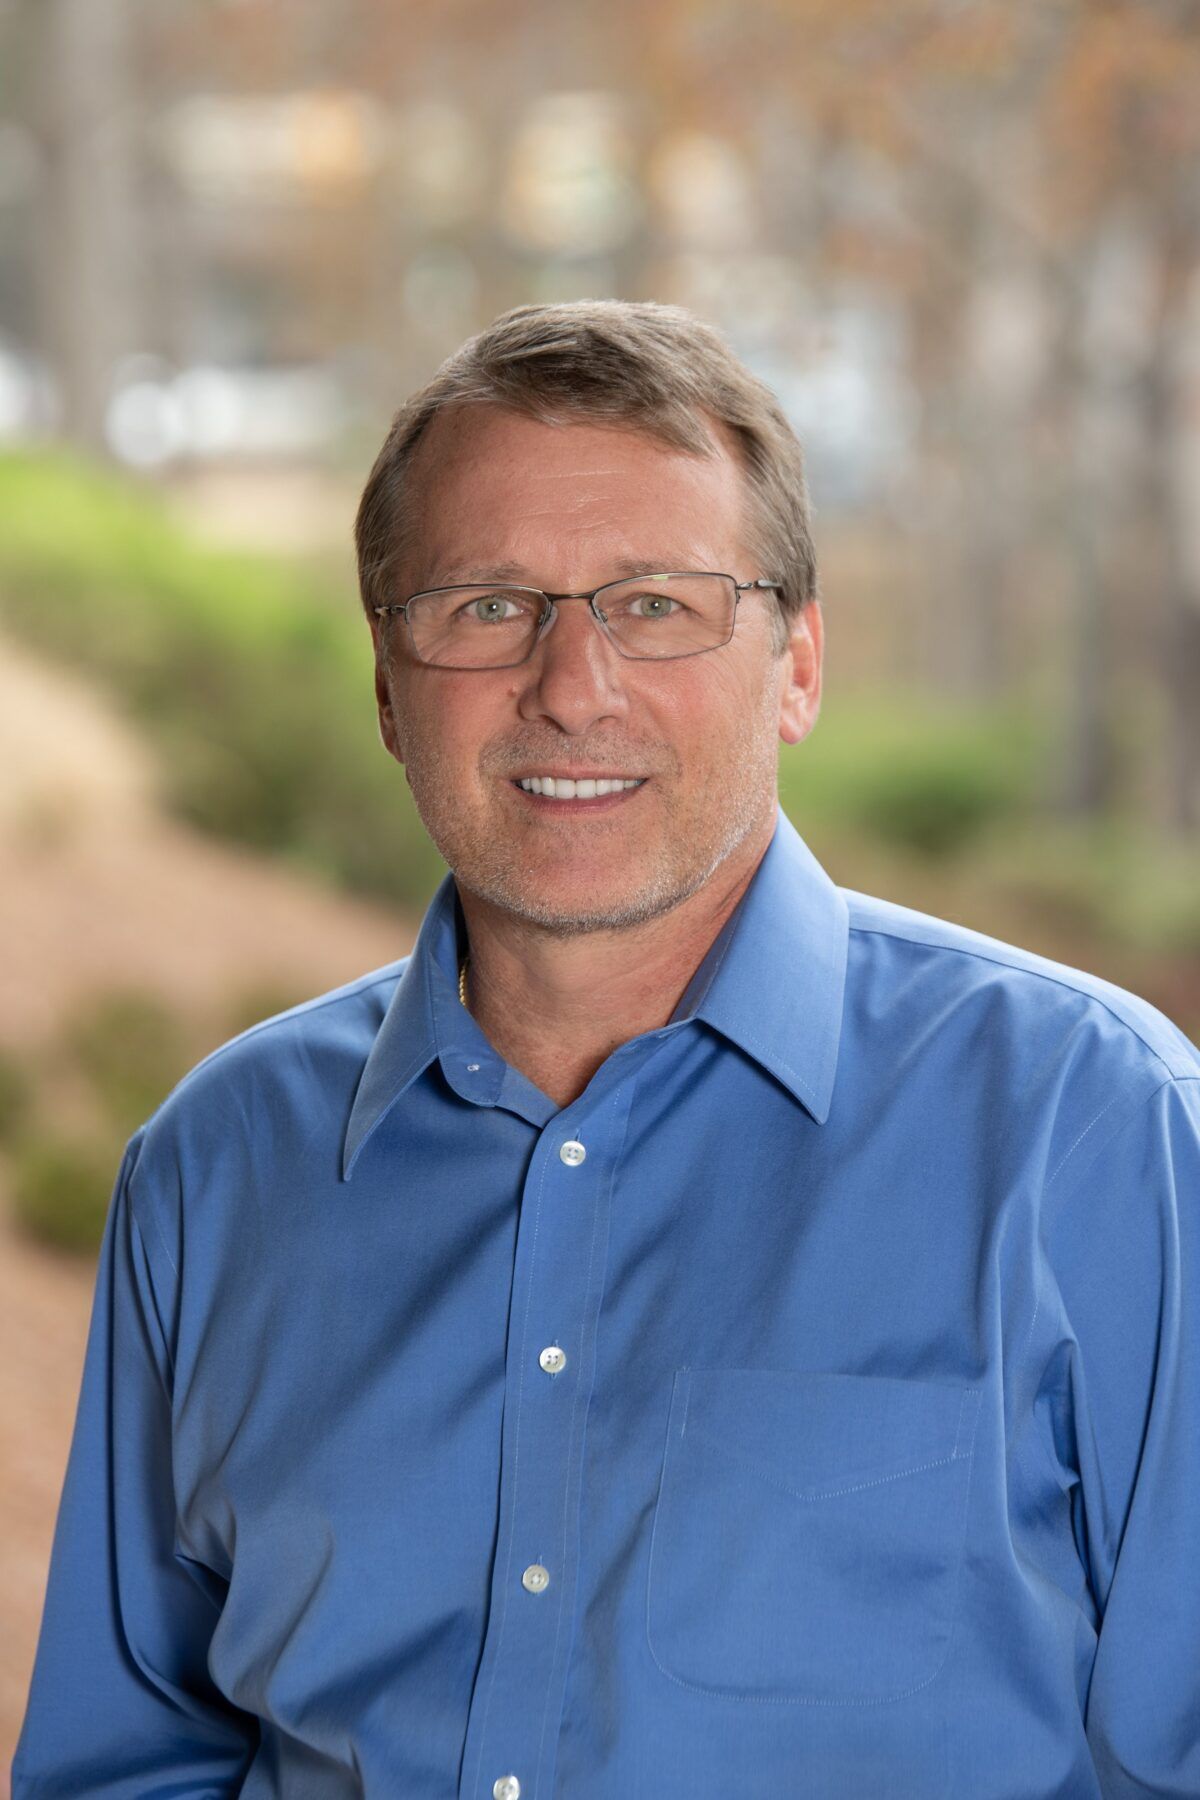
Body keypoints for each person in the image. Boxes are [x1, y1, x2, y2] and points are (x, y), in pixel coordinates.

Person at [12, 300, 1200, 1800]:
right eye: (485, 606)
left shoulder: (1096, 1132)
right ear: (388, 685)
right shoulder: (215, 1170)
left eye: (656, 604)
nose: (572, 688)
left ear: (799, 665)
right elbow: (131, 1766)